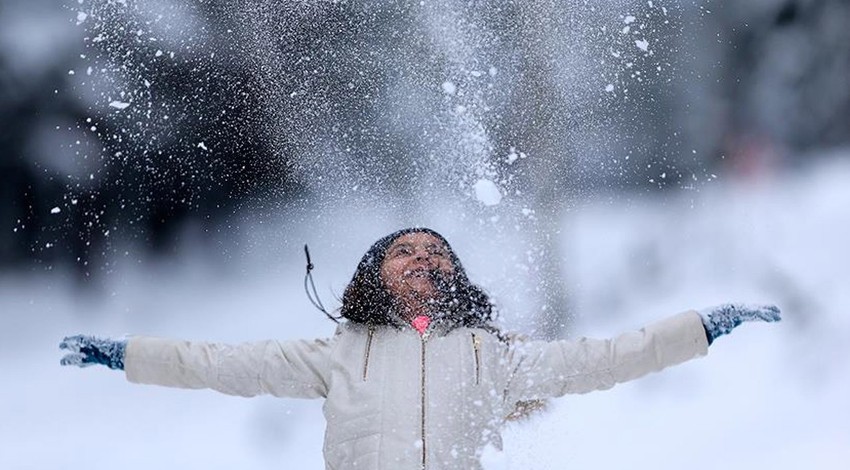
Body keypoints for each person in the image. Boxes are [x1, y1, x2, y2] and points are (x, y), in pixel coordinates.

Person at [60, 227, 781, 470]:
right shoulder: (337, 353)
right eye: (403, 250)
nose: (422, 259)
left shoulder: (491, 355)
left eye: (436, 251)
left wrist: (702, 327)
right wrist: (125, 354)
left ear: (454, 275)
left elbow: (607, 357)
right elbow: (215, 363)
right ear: (374, 273)